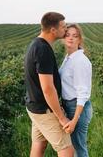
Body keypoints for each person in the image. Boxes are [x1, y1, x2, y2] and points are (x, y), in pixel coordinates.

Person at [24, 12, 74, 157]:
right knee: (66, 150)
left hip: (34, 107)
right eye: (63, 27)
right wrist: (61, 117)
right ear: (53, 30)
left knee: (40, 144)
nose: (66, 30)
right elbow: (48, 88)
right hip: (45, 111)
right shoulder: (43, 50)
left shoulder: (35, 44)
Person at [59, 24, 93, 157]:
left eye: (75, 36)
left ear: (80, 40)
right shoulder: (68, 58)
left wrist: (74, 120)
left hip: (77, 108)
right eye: (67, 35)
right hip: (69, 105)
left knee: (79, 148)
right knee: (72, 147)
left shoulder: (80, 61)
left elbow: (82, 93)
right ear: (63, 38)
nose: (71, 38)